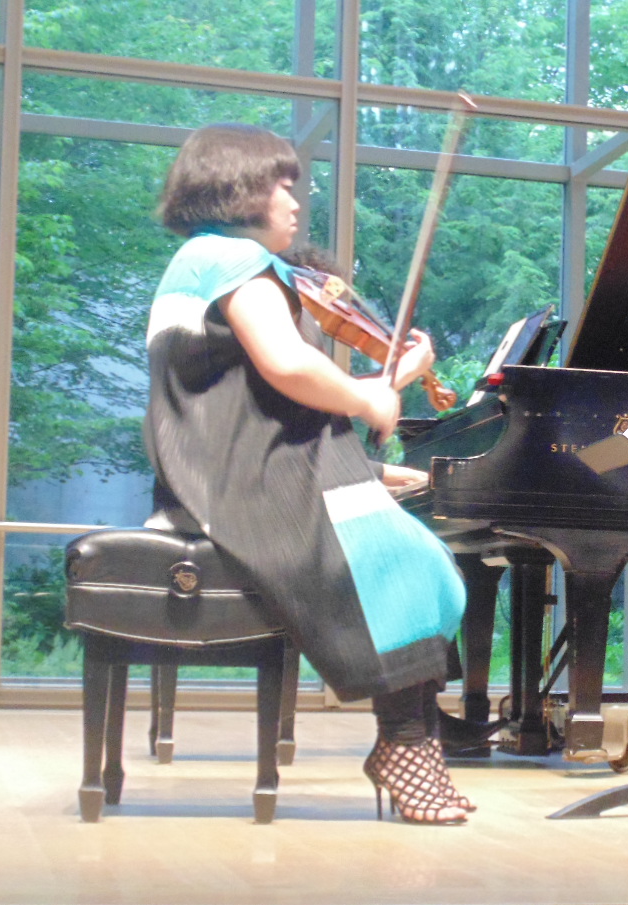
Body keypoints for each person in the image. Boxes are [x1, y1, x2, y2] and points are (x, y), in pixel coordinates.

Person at [145, 123, 472, 823]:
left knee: (421, 559)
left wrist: (368, 464)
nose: (295, 202)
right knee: (406, 560)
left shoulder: (203, 262)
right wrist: (369, 397)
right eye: (281, 185)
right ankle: (405, 744)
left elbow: (251, 409)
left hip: (226, 474)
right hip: (240, 487)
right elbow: (288, 366)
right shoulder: (231, 257)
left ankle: (414, 740)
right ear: (237, 187)